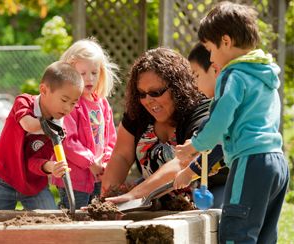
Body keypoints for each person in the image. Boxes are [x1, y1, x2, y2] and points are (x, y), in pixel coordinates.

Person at [174, 2, 289, 243]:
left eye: (210, 49)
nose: (212, 57)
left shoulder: (233, 74)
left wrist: (196, 144)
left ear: (225, 41)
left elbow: (220, 120)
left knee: (236, 232)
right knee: (265, 235)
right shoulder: (263, 73)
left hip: (251, 160)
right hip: (277, 161)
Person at [101, 47, 220, 207]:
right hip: (151, 200)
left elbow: (185, 161)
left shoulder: (201, 111)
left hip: (206, 196)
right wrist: (107, 199)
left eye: (155, 92)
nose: (148, 100)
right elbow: (121, 156)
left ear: (178, 88)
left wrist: (133, 196)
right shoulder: (138, 111)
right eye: (141, 94)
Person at [0, 61, 84, 210]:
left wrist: (50, 166)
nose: (67, 108)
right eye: (64, 100)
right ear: (43, 90)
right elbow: (28, 125)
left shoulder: (59, 129)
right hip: (3, 179)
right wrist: (50, 126)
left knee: (51, 220)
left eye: (73, 103)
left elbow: (33, 162)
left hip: (33, 186)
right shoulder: (24, 102)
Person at [55, 38, 119, 209]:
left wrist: (105, 161)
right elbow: (66, 141)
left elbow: (110, 139)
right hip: (74, 178)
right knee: (74, 213)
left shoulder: (102, 104)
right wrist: (91, 162)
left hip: (98, 175)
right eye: (82, 74)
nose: (89, 78)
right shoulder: (70, 104)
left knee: (96, 213)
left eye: (94, 72)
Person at [173, 42, 229, 209]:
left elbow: (216, 143)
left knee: (238, 230)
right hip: (274, 164)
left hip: (250, 170)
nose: (195, 86)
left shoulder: (224, 101)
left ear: (215, 69)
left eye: (196, 76)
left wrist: (189, 172)